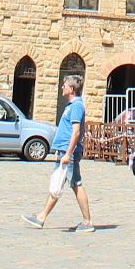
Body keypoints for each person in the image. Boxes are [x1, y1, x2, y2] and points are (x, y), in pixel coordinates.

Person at [22, 75, 94, 232]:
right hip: (63, 151)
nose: (62, 87)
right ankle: (41, 217)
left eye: (65, 85)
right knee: (58, 183)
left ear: (72, 89)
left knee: (76, 183)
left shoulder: (76, 106)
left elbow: (75, 132)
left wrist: (68, 153)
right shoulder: (71, 105)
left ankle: (87, 222)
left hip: (70, 153)